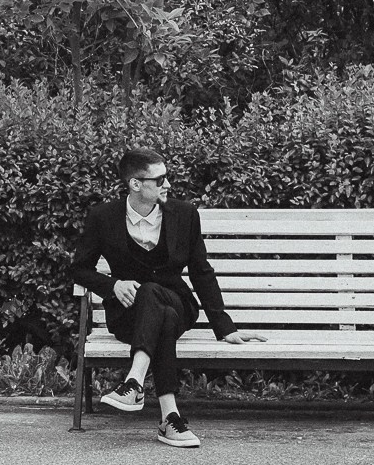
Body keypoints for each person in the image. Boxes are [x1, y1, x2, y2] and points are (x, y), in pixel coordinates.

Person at [68, 150, 264, 448]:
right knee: (162, 318)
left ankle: (134, 381)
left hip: (178, 303)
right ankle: (170, 418)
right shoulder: (103, 217)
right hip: (128, 314)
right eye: (159, 180)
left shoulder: (184, 214)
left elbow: (201, 271)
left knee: (154, 295)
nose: (168, 184)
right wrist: (113, 285)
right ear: (136, 184)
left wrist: (225, 327)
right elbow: (79, 269)